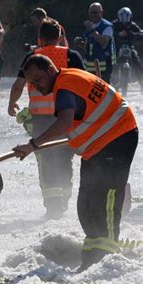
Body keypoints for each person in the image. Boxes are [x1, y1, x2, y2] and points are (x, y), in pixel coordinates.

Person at [13, 55, 138, 270]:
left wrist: (33, 145)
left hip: (118, 138)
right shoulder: (67, 80)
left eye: (38, 79)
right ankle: (91, 255)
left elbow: (64, 122)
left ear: (51, 69)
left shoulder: (65, 87)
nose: (36, 86)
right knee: (87, 202)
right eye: (31, 83)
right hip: (98, 145)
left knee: (104, 199)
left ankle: (106, 258)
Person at [8, 19, 85, 219]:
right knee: (65, 158)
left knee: (45, 160)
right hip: (67, 116)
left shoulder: (32, 57)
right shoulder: (71, 55)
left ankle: (53, 206)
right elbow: (83, 83)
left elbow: (18, 85)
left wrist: (11, 103)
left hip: (40, 119)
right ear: (60, 37)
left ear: (39, 38)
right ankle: (65, 196)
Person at [74, 2, 115, 83]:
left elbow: (103, 43)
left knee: (103, 92)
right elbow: (90, 47)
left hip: (103, 69)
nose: (93, 15)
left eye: (95, 12)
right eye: (91, 12)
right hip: (89, 68)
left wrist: (92, 30)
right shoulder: (91, 26)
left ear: (102, 12)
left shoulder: (106, 26)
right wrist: (80, 43)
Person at [112, 7, 143, 90]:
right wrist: (117, 34)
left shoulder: (132, 25)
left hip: (129, 48)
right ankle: (113, 85)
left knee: (138, 65)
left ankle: (142, 85)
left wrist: (131, 34)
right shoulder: (114, 24)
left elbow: (140, 34)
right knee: (112, 65)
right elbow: (109, 32)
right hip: (117, 48)